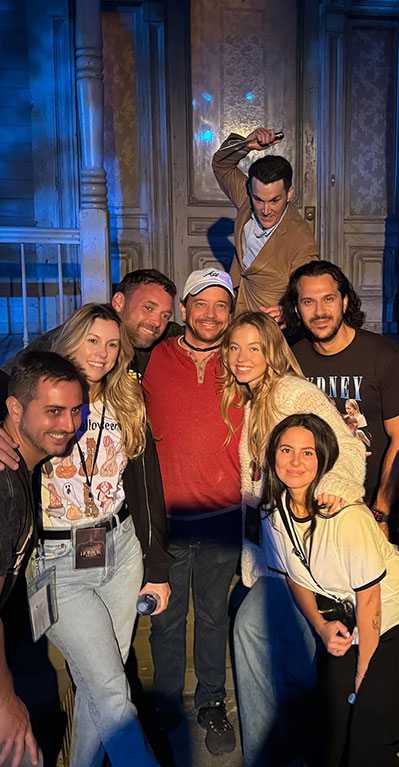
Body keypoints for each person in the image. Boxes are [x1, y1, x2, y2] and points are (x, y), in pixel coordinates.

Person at [25, 304, 171, 767]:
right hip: (57, 561)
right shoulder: (36, 396)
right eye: (92, 340)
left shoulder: (125, 399)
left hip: (120, 549)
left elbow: (147, 485)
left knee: (101, 684)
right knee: (109, 690)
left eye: (112, 344)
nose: (102, 353)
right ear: (69, 339)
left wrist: (156, 564)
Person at [220, 310, 366, 766]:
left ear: (272, 352)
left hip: (303, 551)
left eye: (254, 348)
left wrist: (335, 487)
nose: (242, 357)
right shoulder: (253, 397)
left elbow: (347, 446)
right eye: (234, 348)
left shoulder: (290, 392)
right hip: (272, 552)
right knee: (277, 648)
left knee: (262, 635)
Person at [262, 413, 399, 767]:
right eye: (286, 450)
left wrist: (363, 675)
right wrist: (320, 625)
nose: (295, 461)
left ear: (323, 458)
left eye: (307, 453)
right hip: (356, 622)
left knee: (367, 745)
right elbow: (295, 577)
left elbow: (370, 598)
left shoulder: (345, 515)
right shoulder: (275, 513)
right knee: (330, 740)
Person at [141, 267, 241, 755]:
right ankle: (165, 707)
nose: (211, 314)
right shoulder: (152, 357)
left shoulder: (243, 360)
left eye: (221, 305)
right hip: (168, 520)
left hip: (224, 517)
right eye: (201, 303)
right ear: (183, 310)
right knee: (165, 618)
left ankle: (211, 702)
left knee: (213, 616)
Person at [281, 260, 399, 528]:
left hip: (370, 504)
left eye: (328, 299)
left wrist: (381, 511)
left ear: (344, 302)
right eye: (308, 302)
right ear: (296, 308)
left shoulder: (386, 357)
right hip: (311, 505)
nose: (319, 311)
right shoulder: (291, 360)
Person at [0, 352, 85, 767]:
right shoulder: (6, 489)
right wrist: (5, 701)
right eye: (53, 411)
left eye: (75, 410)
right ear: (15, 409)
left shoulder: (21, 469)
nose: (68, 425)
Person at [212, 126, 319, 322]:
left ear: (289, 194)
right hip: (235, 311)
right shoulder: (246, 200)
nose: (266, 210)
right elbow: (221, 165)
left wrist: (287, 312)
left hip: (269, 325)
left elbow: (309, 292)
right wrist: (246, 144)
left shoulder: (301, 241)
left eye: (274, 201)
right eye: (259, 200)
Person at [0, 269, 179, 383]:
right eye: (148, 308)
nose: (157, 322)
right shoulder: (77, 334)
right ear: (119, 302)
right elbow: (8, 376)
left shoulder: (168, 337)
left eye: (165, 315)